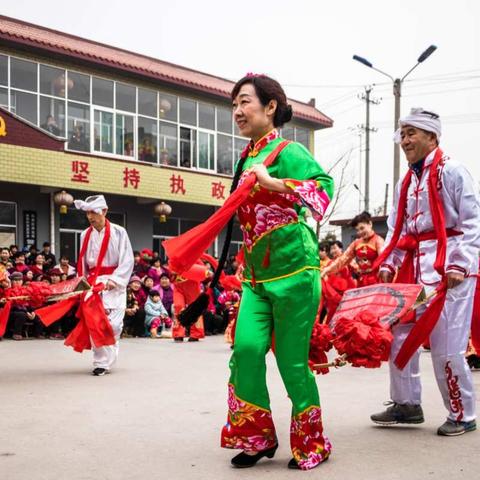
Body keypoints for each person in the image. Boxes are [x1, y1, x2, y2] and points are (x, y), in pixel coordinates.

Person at [219, 74, 334, 470]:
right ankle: (255, 437)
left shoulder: (289, 149)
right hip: (255, 277)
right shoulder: (245, 157)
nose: (237, 111)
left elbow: (324, 188)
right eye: (234, 104)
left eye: (245, 102)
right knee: (246, 350)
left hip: (295, 272)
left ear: (270, 107)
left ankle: (312, 442)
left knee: (291, 362)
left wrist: (277, 182)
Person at [371, 108, 480, 436]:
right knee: (399, 336)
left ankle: (462, 413)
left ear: (432, 136)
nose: (404, 140)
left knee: (446, 346)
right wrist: (389, 261)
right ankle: (406, 405)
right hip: (416, 268)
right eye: (401, 134)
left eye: (411, 133)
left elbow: (472, 222)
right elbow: (396, 227)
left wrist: (459, 263)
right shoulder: (408, 180)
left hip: (452, 270)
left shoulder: (454, 171)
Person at [74, 194, 134, 376]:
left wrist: (114, 281)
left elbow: (127, 259)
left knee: (114, 325)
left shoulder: (119, 232)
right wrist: (81, 283)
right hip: (93, 283)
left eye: (93, 212)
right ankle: (100, 362)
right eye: (87, 213)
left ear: (104, 211)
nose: (90, 217)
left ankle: (109, 354)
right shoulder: (85, 234)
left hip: (114, 282)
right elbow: (83, 262)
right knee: (96, 323)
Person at [322, 212, 384, 287]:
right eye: (357, 230)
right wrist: (327, 270)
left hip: (377, 281)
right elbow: (343, 259)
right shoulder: (356, 243)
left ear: (370, 224)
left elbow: (384, 261)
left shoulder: (378, 240)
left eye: (362, 228)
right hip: (361, 282)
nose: (360, 232)